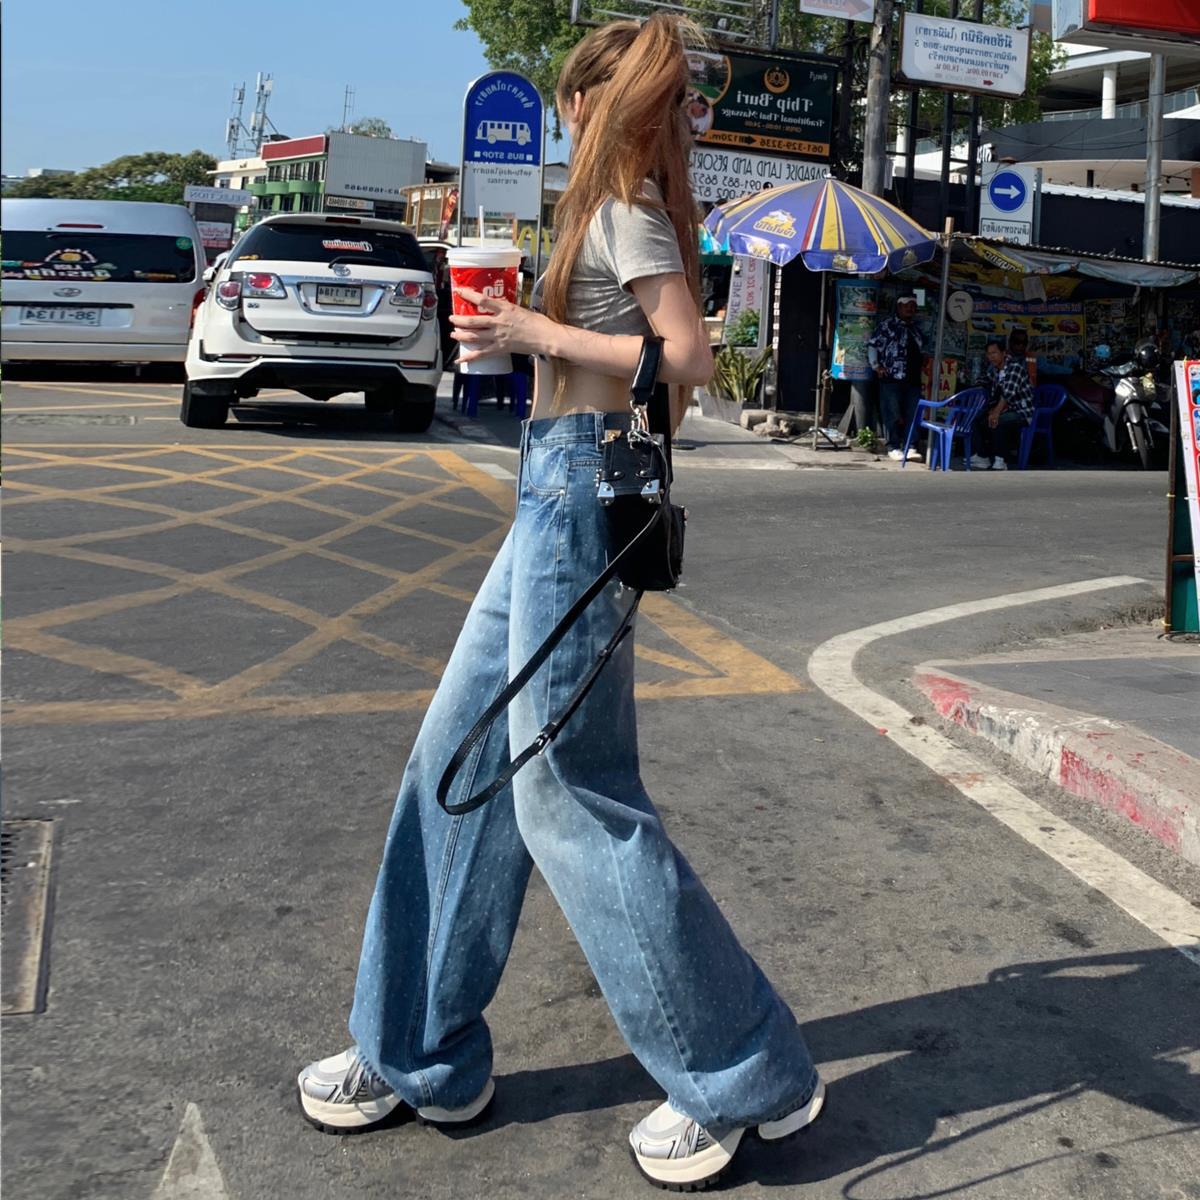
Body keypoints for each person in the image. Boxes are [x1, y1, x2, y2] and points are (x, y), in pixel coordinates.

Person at [296, 14, 825, 1193]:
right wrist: (529, 347)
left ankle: (744, 1074)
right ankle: (419, 1052)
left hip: (581, 497)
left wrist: (533, 328)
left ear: (577, 103)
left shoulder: (627, 205)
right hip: (552, 491)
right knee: (458, 762)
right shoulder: (604, 205)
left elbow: (688, 357)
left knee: (567, 790)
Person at [868, 294, 926, 460]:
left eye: (913, 305)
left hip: (913, 378)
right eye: (907, 305)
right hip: (891, 377)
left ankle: (911, 446)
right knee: (891, 412)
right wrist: (875, 365)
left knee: (913, 413)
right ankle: (892, 446)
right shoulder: (887, 325)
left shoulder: (916, 328)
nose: (910, 308)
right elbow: (873, 345)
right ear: (899, 306)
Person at [972, 337, 1034, 470]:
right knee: (976, 419)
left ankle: (1001, 460)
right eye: (989, 354)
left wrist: (995, 412)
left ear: (1003, 353)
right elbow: (984, 378)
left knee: (996, 420)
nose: (991, 357)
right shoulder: (995, 369)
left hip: (1021, 412)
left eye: (994, 353)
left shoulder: (1015, 368)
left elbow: (1008, 394)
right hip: (1006, 409)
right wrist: (978, 384)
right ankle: (982, 457)